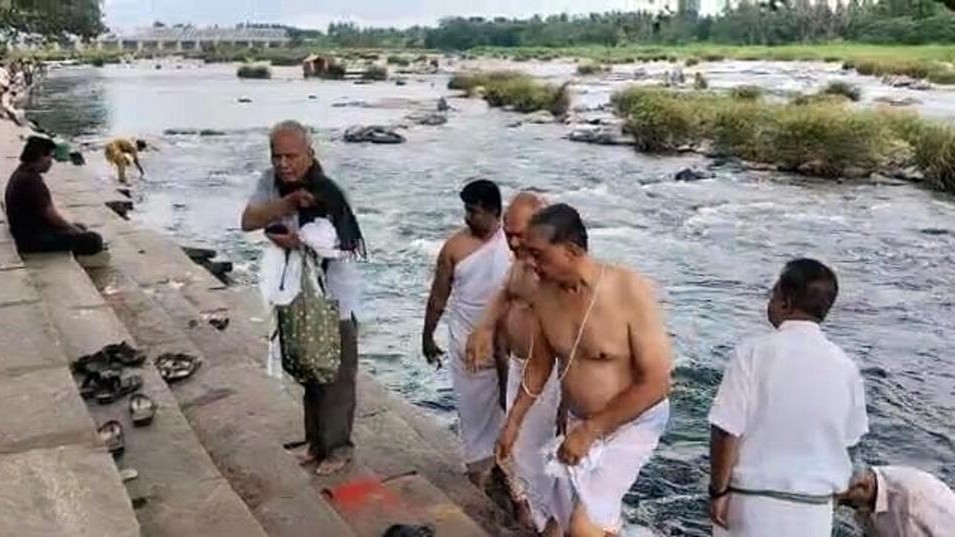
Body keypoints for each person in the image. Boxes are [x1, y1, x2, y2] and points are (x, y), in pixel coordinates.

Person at [498, 203, 672, 536]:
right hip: (578, 421)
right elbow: (538, 366)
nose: (530, 264)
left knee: (582, 529)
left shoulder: (627, 290)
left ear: (572, 251)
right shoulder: (544, 294)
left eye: (538, 254)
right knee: (556, 526)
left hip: (630, 424)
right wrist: (513, 422)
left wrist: (591, 431)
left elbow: (657, 383)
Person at [708, 258, 869, 537]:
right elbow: (851, 442)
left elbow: (726, 430)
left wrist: (718, 491)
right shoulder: (846, 367)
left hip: (752, 504)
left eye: (773, 292)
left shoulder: (752, 353)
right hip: (814, 511)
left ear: (785, 301)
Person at [241, 120, 365, 476]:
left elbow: (344, 245)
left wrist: (299, 242)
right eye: (277, 156)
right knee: (309, 367)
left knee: (336, 374)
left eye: (291, 156)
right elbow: (249, 220)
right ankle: (315, 443)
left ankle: (338, 448)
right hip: (295, 293)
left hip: (333, 297)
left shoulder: (328, 191)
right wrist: (287, 204)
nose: (283, 164)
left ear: (309, 153)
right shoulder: (271, 183)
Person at [466, 192, 561, 535]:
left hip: (549, 376)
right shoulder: (520, 265)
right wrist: (485, 327)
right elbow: (505, 293)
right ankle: (530, 513)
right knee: (519, 451)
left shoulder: (557, 269)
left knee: (552, 457)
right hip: (520, 367)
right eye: (508, 233)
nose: (514, 241)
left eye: (521, 234)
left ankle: (555, 521)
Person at [422, 179, 511, 488]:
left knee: (511, 408)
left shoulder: (514, 243)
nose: (467, 218)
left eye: (473, 211)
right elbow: (438, 297)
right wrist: (427, 336)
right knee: (473, 415)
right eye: (466, 210)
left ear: (495, 212)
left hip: (508, 343)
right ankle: (478, 473)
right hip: (465, 340)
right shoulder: (454, 248)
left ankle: (506, 470)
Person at [4, 136, 104, 256]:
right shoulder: (32, 181)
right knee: (93, 240)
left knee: (80, 227)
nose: (51, 162)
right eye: (50, 157)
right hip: (31, 239)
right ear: (41, 157)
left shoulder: (21, 172)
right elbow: (50, 214)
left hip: (25, 230)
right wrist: (73, 230)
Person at [839, 465, 955, 536]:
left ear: (863, 486)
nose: (840, 503)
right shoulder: (866, 495)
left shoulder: (907, 511)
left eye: (844, 499)